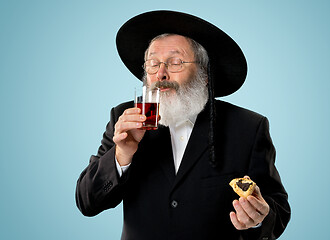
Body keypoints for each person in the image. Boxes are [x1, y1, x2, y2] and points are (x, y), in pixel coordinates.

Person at [76, 10, 290, 240]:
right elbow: (87, 202)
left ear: (204, 74)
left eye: (175, 62)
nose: (161, 73)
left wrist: (259, 219)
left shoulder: (248, 127)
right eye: (153, 64)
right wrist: (121, 155)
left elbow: (278, 210)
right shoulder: (124, 118)